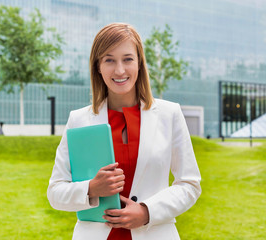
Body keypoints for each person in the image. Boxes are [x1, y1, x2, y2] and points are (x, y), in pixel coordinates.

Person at [47, 23, 201, 240]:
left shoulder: (170, 114)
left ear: (139, 64)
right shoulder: (79, 120)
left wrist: (147, 211)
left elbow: (189, 184)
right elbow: (55, 192)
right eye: (109, 60)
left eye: (128, 59)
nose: (120, 70)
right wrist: (91, 188)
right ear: (98, 67)